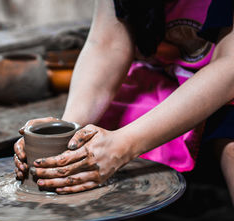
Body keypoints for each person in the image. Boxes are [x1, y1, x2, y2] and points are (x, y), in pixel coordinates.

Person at [13, 0, 234, 202]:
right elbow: (106, 44)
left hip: (223, 78)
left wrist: (124, 145)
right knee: (90, 149)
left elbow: (229, 67)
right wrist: (67, 132)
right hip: (166, 75)